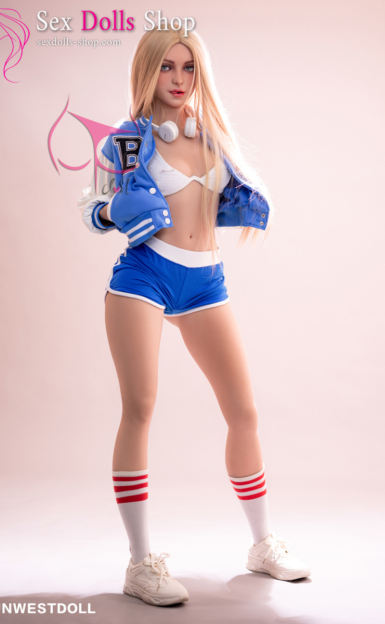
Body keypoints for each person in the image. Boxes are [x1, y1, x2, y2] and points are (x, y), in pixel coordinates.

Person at [78, 28, 310, 607]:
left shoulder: (213, 138)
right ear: (147, 71)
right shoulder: (128, 139)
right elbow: (91, 207)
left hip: (206, 281)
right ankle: (140, 564)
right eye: (166, 67)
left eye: (188, 68)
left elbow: (235, 197)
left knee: (244, 411)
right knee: (140, 407)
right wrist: (110, 209)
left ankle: (261, 544)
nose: (178, 79)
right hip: (144, 276)